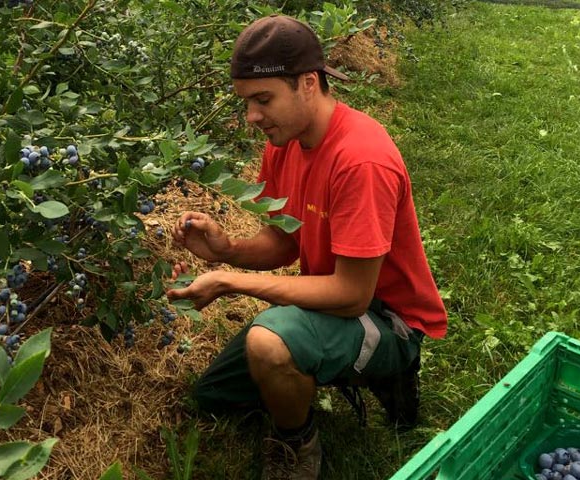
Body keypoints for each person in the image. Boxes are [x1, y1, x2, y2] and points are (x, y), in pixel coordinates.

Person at [166, 14, 447, 480]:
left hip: (385, 317)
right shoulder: (284, 141)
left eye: (263, 100)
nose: (252, 117)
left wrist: (233, 282)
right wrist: (226, 250)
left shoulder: (362, 160)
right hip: (334, 297)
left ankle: (299, 442)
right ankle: (318, 368)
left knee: (269, 344)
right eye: (246, 103)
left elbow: (352, 295)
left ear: (309, 83)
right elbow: (284, 242)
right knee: (214, 395)